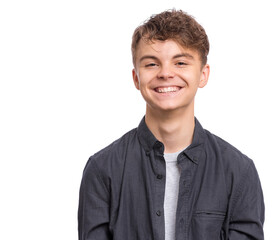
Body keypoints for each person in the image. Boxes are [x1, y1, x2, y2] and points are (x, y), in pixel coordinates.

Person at [78, 9, 265, 240]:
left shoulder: (238, 172)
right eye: (151, 64)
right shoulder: (102, 169)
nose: (166, 73)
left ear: (203, 75)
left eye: (180, 62)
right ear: (136, 78)